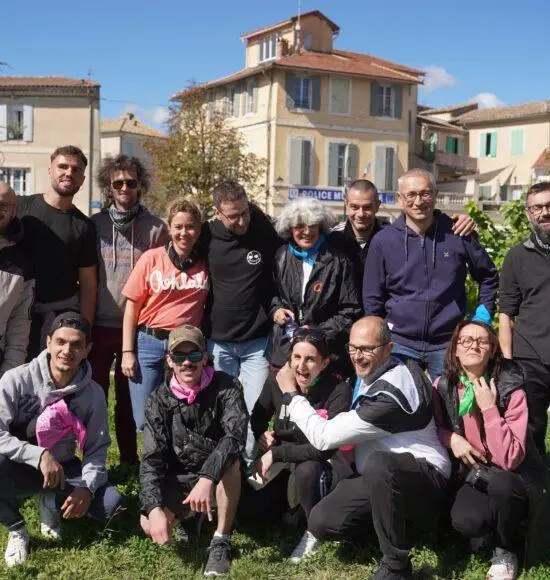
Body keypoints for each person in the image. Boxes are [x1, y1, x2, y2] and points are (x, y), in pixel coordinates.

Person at [276, 316, 450, 579]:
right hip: (379, 476)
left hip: (424, 477)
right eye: (353, 348)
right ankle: (386, 528)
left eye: (367, 349)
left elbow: (324, 438)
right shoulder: (391, 364)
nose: (358, 356)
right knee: (321, 521)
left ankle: (396, 566)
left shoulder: (391, 396)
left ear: (388, 348)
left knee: (381, 463)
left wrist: (291, 394)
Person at [0, 312, 121, 568]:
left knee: (110, 506)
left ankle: (49, 499)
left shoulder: (93, 393)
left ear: (87, 349)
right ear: (48, 342)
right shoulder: (15, 380)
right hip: (21, 462)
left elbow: (97, 448)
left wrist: (87, 487)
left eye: (77, 344)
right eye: (61, 341)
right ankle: (17, 527)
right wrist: (39, 455)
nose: (67, 350)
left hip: (64, 465)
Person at [433, 320, 546, 580]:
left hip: (515, 475)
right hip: (476, 472)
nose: (474, 345)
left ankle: (506, 548)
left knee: (503, 486)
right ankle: (488, 529)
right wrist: (451, 438)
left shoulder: (511, 389)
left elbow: (509, 458)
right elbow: (435, 427)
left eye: (482, 341)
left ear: (492, 350)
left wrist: (489, 409)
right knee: (465, 521)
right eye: (466, 340)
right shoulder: (442, 386)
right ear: (455, 349)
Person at [363, 168, 499, 379]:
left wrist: (482, 316)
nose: (418, 201)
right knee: (400, 408)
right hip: (399, 342)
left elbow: (488, 275)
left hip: (448, 342)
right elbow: (372, 296)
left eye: (425, 193)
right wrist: (378, 338)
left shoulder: (458, 233)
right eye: (411, 195)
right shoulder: (383, 241)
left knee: (450, 408)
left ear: (435, 196)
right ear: (400, 199)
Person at [139, 325, 247, 577]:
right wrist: (154, 509)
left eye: (194, 355)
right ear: (169, 360)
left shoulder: (227, 386)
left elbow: (234, 437)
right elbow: (151, 459)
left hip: (218, 474)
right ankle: (189, 515)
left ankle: (221, 539)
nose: (187, 362)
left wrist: (207, 477)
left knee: (231, 463)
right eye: (179, 356)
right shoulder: (158, 399)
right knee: (148, 522)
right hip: (179, 477)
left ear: (206, 357)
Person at [89, 155, 168, 464]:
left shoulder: (156, 229)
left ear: (140, 186)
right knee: (94, 396)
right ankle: (92, 459)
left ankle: (128, 459)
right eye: (118, 182)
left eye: (130, 183)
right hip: (98, 322)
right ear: (109, 186)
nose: (124, 188)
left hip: (136, 327)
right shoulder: (94, 224)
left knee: (127, 398)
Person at [244, 329, 351, 545]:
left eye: (311, 359)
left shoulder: (339, 391)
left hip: (319, 462)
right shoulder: (277, 380)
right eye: (297, 357)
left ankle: (315, 528)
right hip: (282, 459)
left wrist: (276, 453)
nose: (301, 366)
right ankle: (289, 507)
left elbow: (325, 448)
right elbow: (257, 417)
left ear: (325, 363)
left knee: (307, 470)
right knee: (248, 513)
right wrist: (261, 435)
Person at [201, 181, 282, 454]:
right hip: (219, 342)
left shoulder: (262, 229)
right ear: (217, 213)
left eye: (244, 212)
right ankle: (223, 467)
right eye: (232, 216)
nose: (241, 221)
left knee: (254, 412)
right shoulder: (206, 236)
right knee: (222, 410)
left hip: (256, 342)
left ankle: (248, 469)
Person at [121, 200, 208, 432]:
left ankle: (175, 466)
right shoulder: (152, 258)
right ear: (169, 227)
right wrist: (127, 352)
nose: (184, 233)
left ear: (199, 229)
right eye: (178, 226)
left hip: (186, 348)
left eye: (190, 227)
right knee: (145, 419)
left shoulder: (205, 262)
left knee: (183, 414)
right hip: (149, 343)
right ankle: (151, 467)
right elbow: (132, 307)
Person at [16, 146, 98, 358]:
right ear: (50, 170)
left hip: (57, 321)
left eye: (76, 169)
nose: (69, 172)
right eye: (62, 166)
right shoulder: (20, 208)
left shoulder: (85, 226)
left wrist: (85, 329)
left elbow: (88, 283)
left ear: (82, 178)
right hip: (13, 316)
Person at [267, 197, 361, 372]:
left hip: (325, 355)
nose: (307, 232)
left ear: (321, 226)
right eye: (300, 226)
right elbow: (271, 294)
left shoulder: (339, 261)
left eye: (313, 225)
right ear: (290, 228)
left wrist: (318, 331)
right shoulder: (280, 256)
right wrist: (276, 310)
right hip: (284, 352)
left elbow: (350, 311)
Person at [329, 179, 476, 287]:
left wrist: (458, 224)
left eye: (367, 207)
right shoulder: (333, 239)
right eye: (354, 207)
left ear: (378, 206)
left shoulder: (392, 236)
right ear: (346, 206)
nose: (360, 214)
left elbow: (423, 225)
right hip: (342, 321)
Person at [499, 181, 550, 455]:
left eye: (549, 206)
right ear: (529, 213)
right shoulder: (516, 257)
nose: (544, 212)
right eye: (537, 207)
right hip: (530, 358)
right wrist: (508, 363)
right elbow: (506, 313)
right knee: (530, 433)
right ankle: (537, 491)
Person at [0, 182, 34, 377]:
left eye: (3, 205)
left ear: (14, 211)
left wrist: (9, 374)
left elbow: (19, 325)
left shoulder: (21, 261)